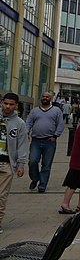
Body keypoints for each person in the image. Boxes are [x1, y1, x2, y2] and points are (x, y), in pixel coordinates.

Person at [0, 93, 29, 233]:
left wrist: (21, 164)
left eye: (11, 104)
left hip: (6, 164)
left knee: (1, 196)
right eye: (5, 103)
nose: (7, 106)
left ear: (16, 105)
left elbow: (22, 144)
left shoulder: (19, 123)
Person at [26, 91, 65, 193]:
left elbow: (60, 124)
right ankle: (35, 178)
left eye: (47, 97)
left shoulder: (56, 111)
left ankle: (42, 185)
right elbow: (29, 122)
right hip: (35, 141)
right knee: (32, 161)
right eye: (43, 96)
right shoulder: (34, 111)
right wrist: (26, 132)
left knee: (46, 164)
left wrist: (56, 135)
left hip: (49, 141)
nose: (45, 98)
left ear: (51, 98)